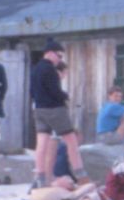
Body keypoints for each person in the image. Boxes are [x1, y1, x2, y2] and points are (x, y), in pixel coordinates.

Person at [30, 37, 88, 188]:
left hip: (39, 109)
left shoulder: (35, 68)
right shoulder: (49, 69)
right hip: (55, 109)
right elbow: (54, 91)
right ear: (49, 53)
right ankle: (81, 174)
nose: (60, 59)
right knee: (71, 141)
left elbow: (32, 91)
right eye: (59, 55)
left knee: (41, 144)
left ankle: (40, 177)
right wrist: (66, 96)